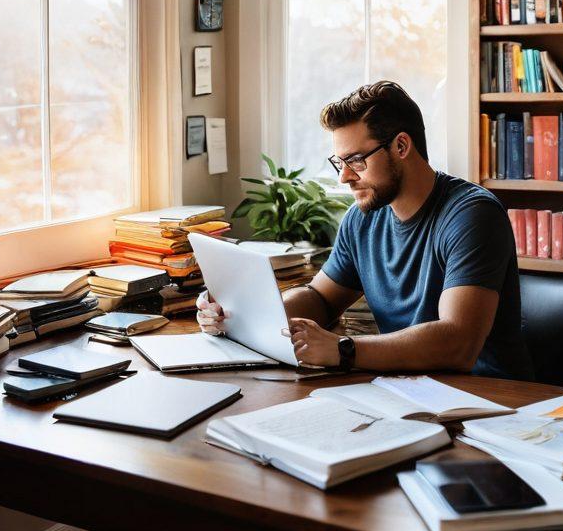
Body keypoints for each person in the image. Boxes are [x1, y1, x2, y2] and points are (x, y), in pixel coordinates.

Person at [197, 80, 532, 379]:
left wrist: (343, 349)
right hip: (404, 390)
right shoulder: (363, 218)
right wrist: (245, 313)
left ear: (401, 147)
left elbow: (458, 343)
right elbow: (319, 299)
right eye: (339, 163)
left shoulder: (471, 214)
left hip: (486, 399)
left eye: (356, 160)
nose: (344, 177)